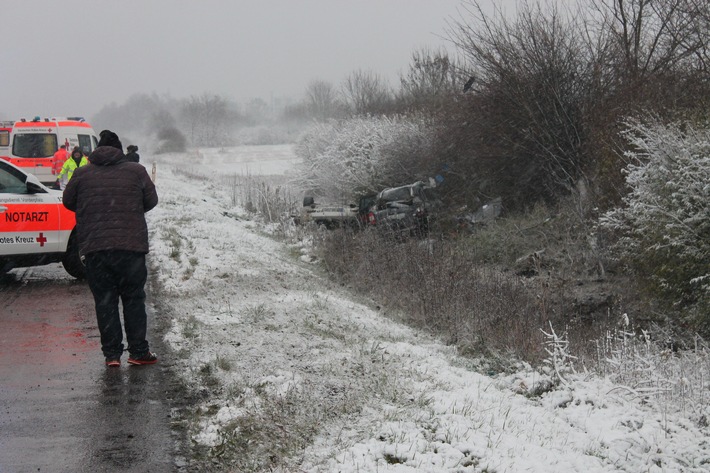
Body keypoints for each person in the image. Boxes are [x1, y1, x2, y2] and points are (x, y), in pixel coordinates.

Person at [63, 130, 159, 367]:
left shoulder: (82, 173)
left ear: (96, 150)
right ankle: (138, 351)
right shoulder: (136, 171)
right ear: (120, 149)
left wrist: (92, 209)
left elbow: (67, 202)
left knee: (105, 301)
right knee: (134, 299)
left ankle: (112, 355)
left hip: (96, 248)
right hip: (131, 246)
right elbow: (151, 200)